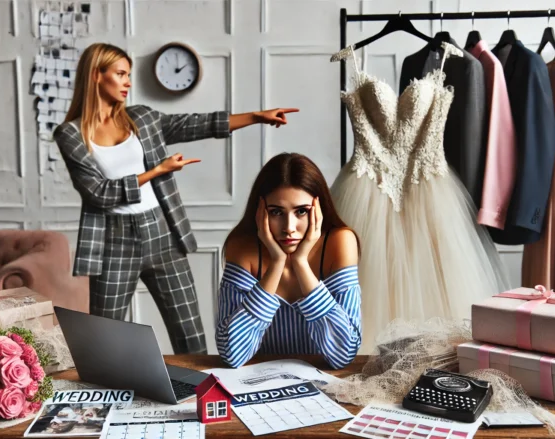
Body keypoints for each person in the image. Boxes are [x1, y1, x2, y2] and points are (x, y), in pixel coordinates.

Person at [54, 42, 298, 354]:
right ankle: (107, 399)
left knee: (190, 334)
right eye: (120, 74)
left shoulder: (140, 118)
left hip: (162, 233)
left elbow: (195, 124)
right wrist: (157, 171)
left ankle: (200, 394)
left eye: (129, 74)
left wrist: (256, 116)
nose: (128, 82)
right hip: (112, 241)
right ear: (96, 76)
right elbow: (97, 193)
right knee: (103, 338)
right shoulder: (71, 135)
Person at [216, 153, 362, 369]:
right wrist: (276, 264)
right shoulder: (242, 247)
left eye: (301, 211)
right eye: (276, 212)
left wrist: (301, 263)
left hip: (322, 386)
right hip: (258, 384)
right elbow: (232, 354)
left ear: (319, 210)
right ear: (259, 212)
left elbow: (343, 354)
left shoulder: (339, 242)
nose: (289, 227)